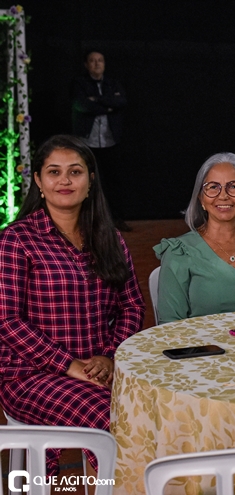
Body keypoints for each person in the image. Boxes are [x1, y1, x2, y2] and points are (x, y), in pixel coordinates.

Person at [0, 135, 145, 475]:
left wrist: (108, 356)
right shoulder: (16, 239)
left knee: (153, 406)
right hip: (30, 376)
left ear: (90, 181)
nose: (64, 180)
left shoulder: (110, 238)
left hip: (99, 369)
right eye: (54, 172)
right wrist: (70, 365)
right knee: (115, 416)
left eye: (75, 172)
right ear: (39, 181)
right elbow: (7, 321)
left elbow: (132, 307)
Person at [154, 152, 235, 324]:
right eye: (213, 187)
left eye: (234, 186)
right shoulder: (179, 253)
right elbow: (170, 326)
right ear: (201, 198)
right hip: (199, 343)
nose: (223, 196)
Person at [71, 50, 130, 231]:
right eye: (92, 61)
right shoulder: (79, 83)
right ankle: (88, 222)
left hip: (110, 141)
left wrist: (97, 100)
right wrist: (108, 106)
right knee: (88, 182)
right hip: (88, 143)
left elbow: (121, 102)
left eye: (100, 60)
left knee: (114, 182)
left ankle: (116, 219)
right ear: (86, 64)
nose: (97, 64)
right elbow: (82, 105)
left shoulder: (113, 83)